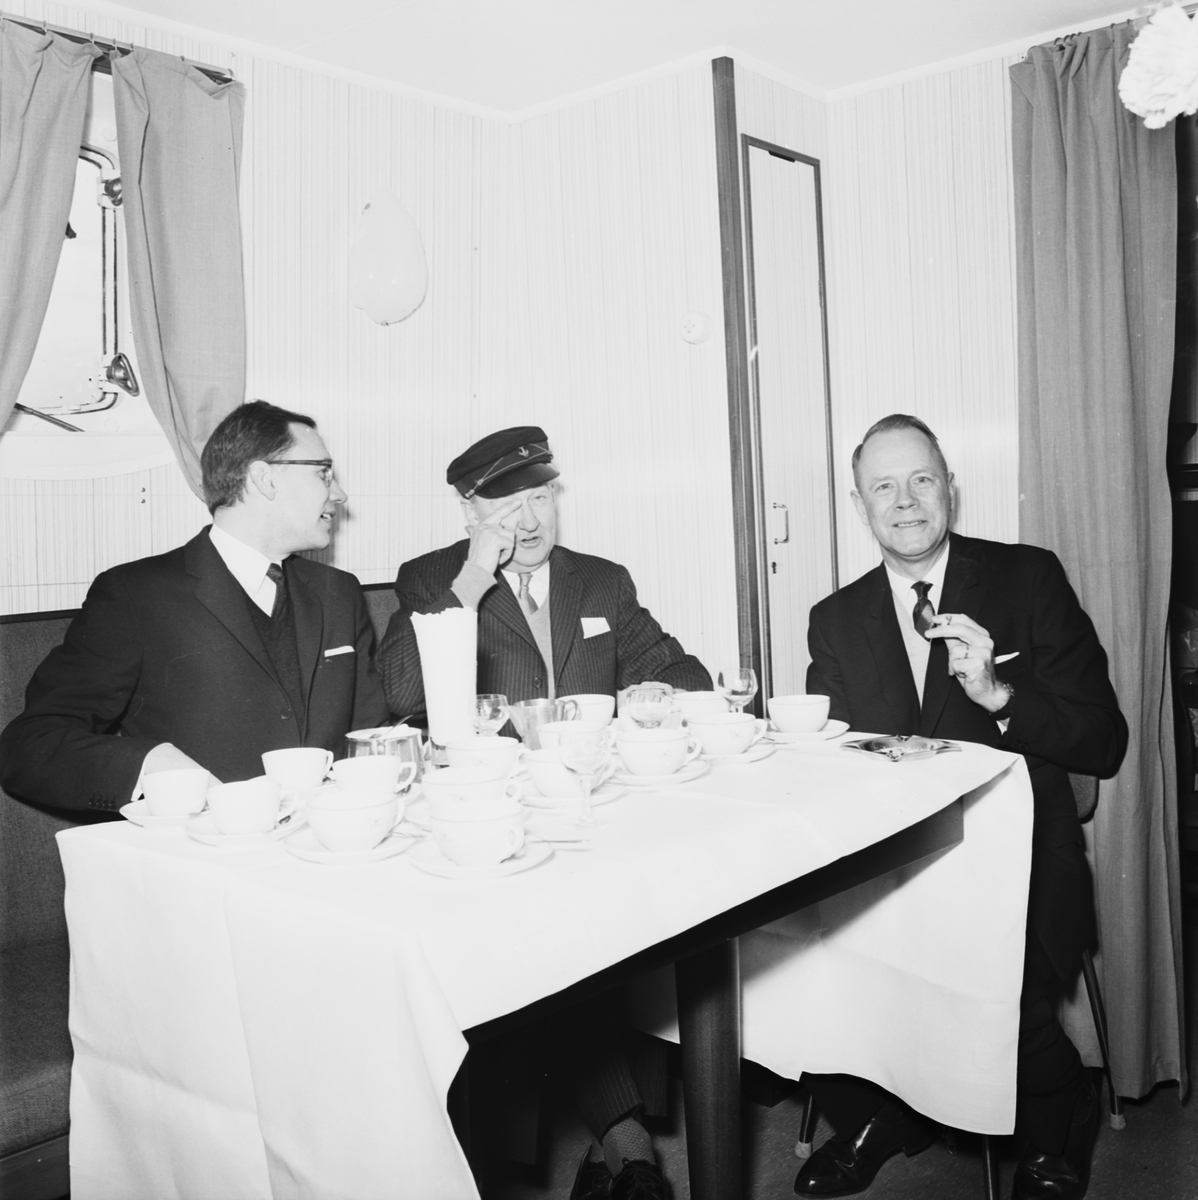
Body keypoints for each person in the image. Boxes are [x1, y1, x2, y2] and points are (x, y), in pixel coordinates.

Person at [796, 414, 1127, 1200]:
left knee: (989, 971)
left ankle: (1060, 1115)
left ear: (951, 487)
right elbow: (832, 763)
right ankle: (886, 1112)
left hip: (1018, 847)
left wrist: (1000, 695)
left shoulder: (1028, 578)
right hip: (895, 856)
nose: (905, 501)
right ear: (859, 506)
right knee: (800, 956)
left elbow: (1104, 740)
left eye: (921, 479)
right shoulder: (834, 619)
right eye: (884, 486)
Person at [0, 401, 389, 812]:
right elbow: (30, 745)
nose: (339, 494)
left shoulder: (338, 592)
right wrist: (147, 764)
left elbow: (370, 734)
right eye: (323, 473)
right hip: (201, 844)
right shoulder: (136, 594)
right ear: (265, 478)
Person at [377, 424, 711, 723]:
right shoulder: (430, 577)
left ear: (553, 498)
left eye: (538, 498)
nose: (530, 523)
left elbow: (682, 671)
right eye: (508, 505)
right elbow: (402, 696)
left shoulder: (603, 579)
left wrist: (661, 693)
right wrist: (474, 578)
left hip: (583, 761)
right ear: (473, 514)